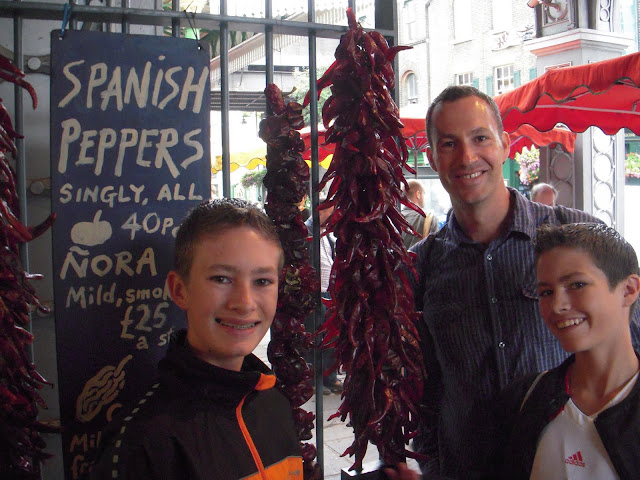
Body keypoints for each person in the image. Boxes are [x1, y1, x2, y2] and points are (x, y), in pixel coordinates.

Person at [409, 85, 636, 479]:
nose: (467, 157)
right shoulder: (421, 265)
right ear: (431, 158)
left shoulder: (574, 237)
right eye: (448, 144)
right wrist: (431, 465)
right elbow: (423, 385)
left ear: (505, 145)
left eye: (480, 138)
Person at [91, 198, 303, 480]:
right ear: (180, 291)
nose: (244, 303)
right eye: (221, 278)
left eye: (262, 281)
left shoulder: (275, 404)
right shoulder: (144, 443)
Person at [498, 223, 640, 479]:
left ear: (628, 290)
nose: (557, 305)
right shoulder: (526, 400)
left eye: (577, 285)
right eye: (546, 292)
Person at [305, 199, 343, 395]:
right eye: (330, 212)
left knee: (330, 337)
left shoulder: (327, 234)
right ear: (320, 212)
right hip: (314, 293)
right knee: (313, 337)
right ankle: (312, 380)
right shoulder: (306, 232)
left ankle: (329, 377)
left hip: (329, 293)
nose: (334, 216)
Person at [401, 179, 438, 249]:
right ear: (417, 194)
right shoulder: (429, 218)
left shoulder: (392, 219)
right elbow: (435, 249)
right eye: (424, 193)